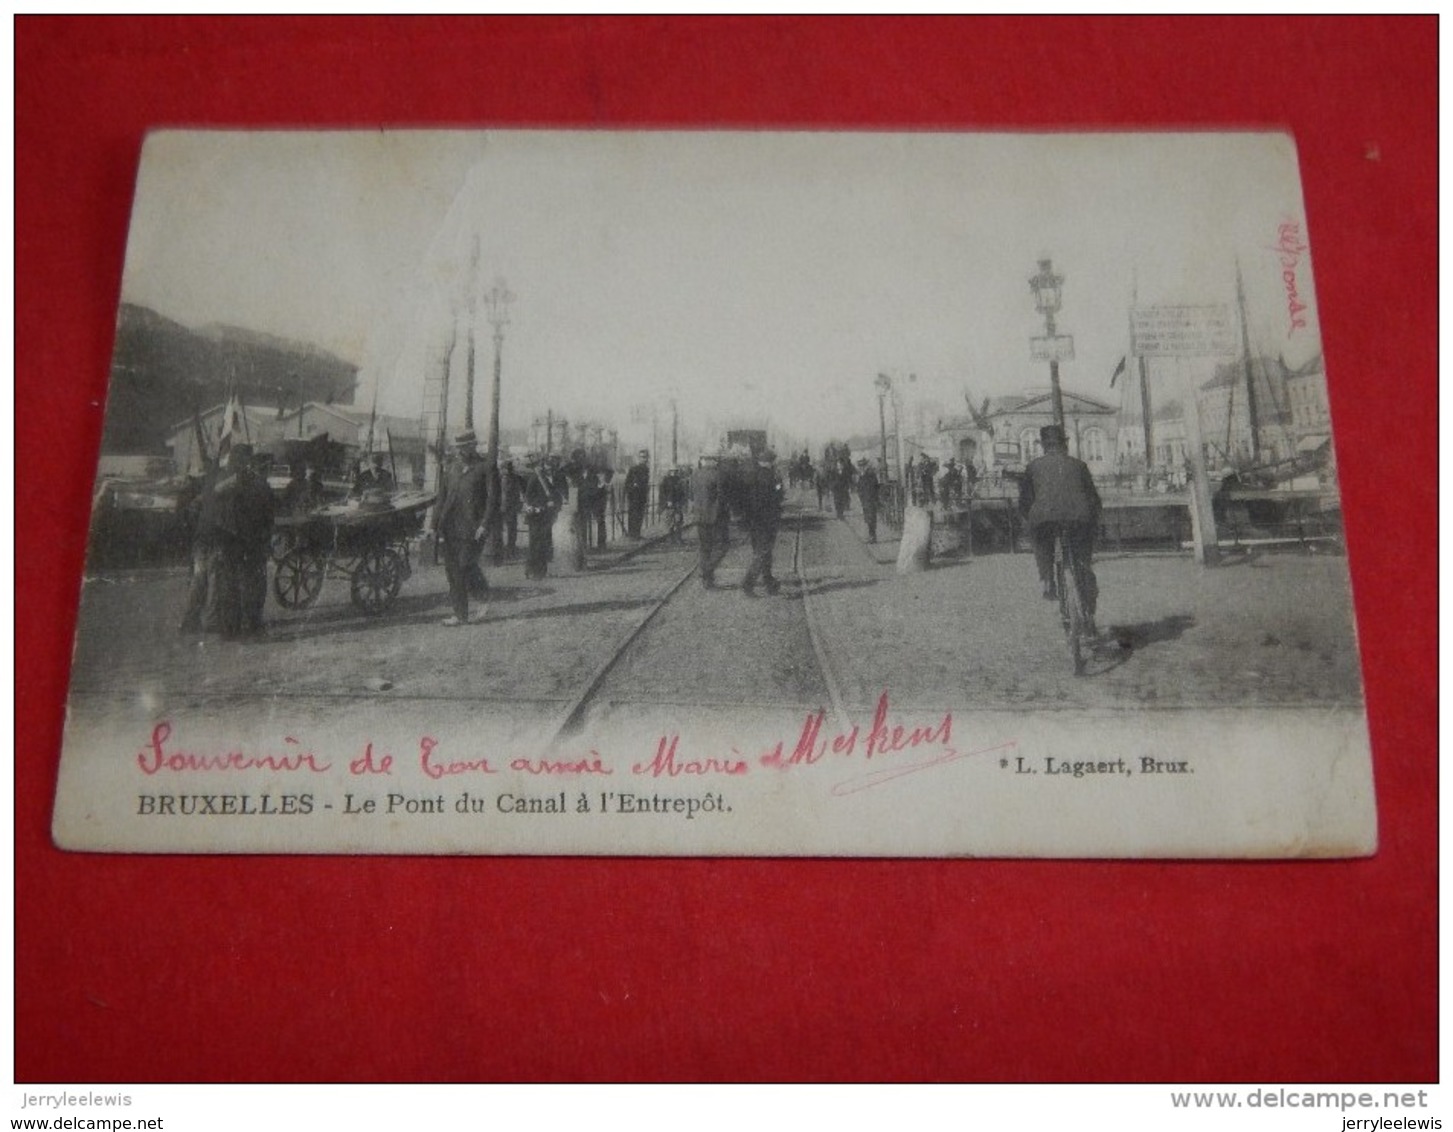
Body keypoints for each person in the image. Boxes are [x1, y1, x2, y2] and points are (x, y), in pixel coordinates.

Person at [1019, 424, 1102, 623]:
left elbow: (1024, 502)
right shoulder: (1079, 465)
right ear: (1064, 444)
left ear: (1043, 446)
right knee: (1082, 561)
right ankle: (1088, 610)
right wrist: (1093, 521)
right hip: (1078, 519)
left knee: (1041, 542)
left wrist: (1028, 519)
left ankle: (1047, 578)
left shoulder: (1033, 467)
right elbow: (1094, 499)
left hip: (1044, 519)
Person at [432, 430, 492, 626]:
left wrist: (484, 524)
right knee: (453, 571)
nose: (460, 452)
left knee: (466, 565)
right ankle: (460, 615)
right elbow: (442, 497)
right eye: (458, 448)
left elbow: (493, 500)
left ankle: (483, 596)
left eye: (464, 448)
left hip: (473, 527)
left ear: (473, 447)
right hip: (450, 526)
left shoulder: (485, 467)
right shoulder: (452, 467)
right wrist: (434, 524)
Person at [740, 450, 784, 596]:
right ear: (769, 462)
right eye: (773, 461)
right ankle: (748, 583)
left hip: (754, 520)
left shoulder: (749, 476)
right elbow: (776, 496)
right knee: (763, 552)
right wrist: (779, 486)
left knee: (763, 552)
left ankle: (769, 581)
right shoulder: (770, 477)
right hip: (767, 520)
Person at [522, 453, 562, 580]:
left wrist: (555, 505)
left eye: (550, 467)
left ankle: (539, 571)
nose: (548, 469)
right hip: (535, 516)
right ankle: (533, 571)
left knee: (543, 543)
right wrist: (543, 504)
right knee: (535, 544)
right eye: (545, 466)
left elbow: (555, 495)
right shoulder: (535, 478)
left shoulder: (547, 479)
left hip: (546, 516)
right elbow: (528, 498)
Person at [691, 454, 727, 588]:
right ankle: (707, 571)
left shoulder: (695, 474)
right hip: (715, 517)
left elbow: (691, 494)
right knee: (722, 546)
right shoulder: (718, 475)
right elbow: (722, 496)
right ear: (713, 461)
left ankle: (707, 580)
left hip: (699, 516)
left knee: (704, 548)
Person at [624, 449, 651, 537]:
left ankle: (637, 533)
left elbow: (646, 484)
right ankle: (632, 534)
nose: (644, 459)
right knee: (633, 514)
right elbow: (627, 484)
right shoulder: (634, 469)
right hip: (634, 496)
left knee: (640, 515)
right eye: (642, 457)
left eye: (645, 457)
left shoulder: (646, 470)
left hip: (642, 496)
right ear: (639, 458)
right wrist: (633, 487)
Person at [856, 458, 880, 543]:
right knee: (868, 518)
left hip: (870, 499)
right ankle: (871, 535)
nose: (861, 468)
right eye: (860, 466)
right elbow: (859, 487)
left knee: (871, 518)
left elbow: (874, 487)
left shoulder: (870, 474)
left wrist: (873, 498)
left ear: (865, 466)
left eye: (862, 466)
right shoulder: (862, 475)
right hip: (865, 500)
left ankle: (873, 536)